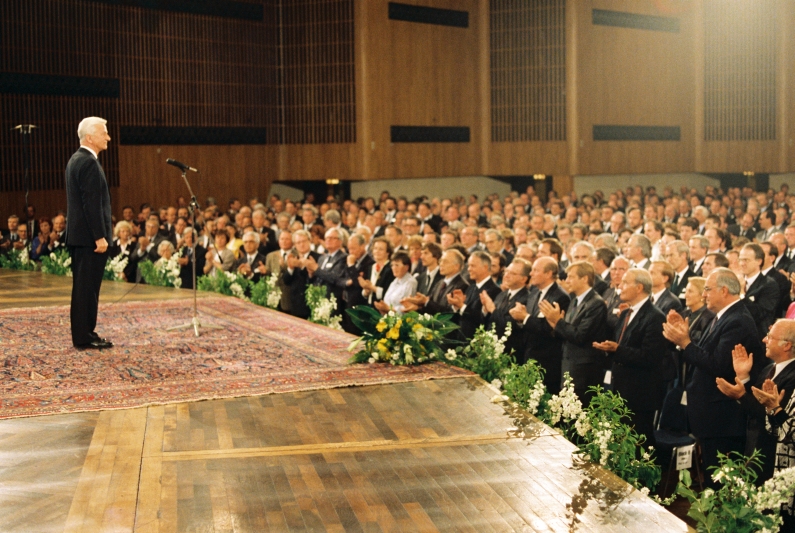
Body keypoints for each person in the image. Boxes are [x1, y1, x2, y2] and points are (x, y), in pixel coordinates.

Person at [662, 268, 766, 483]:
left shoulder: (737, 320)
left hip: (722, 416)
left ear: (724, 290)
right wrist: (685, 340)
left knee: (718, 481)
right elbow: (704, 354)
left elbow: (718, 365)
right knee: (711, 477)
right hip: (711, 413)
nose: (704, 294)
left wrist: (685, 343)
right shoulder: (723, 316)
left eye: (708, 289)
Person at [593, 268, 668, 444]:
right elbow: (620, 343)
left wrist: (617, 350)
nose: (620, 285)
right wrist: (608, 348)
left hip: (641, 394)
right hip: (621, 388)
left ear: (639, 287)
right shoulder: (626, 313)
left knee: (637, 444)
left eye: (626, 282)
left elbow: (650, 357)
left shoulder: (655, 317)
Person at [716, 319, 795, 483]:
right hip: (754, 449)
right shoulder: (769, 368)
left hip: (771, 457)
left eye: (770, 337)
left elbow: (773, 418)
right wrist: (743, 377)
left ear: (786, 345)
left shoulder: (792, 377)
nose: (764, 340)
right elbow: (758, 403)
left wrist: (741, 396)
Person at [65, 117, 113, 350]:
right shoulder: (89, 163)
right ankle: (84, 336)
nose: (108, 137)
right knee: (87, 289)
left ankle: (84, 333)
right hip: (89, 239)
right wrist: (99, 236)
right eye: (104, 133)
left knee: (83, 288)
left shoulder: (76, 160)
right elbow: (91, 205)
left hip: (80, 237)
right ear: (90, 137)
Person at [541, 261, 608, 403]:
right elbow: (567, 332)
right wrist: (554, 324)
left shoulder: (596, 303)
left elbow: (580, 336)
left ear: (584, 279)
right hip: (569, 368)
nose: (566, 281)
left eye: (571, 277)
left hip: (584, 373)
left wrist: (558, 321)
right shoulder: (575, 301)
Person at [510, 256, 570, 393]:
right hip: (529, 357)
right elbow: (531, 322)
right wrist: (521, 319)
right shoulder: (534, 292)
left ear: (548, 274)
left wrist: (525, 318)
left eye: (535, 270)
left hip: (547, 363)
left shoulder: (560, 297)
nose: (531, 274)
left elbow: (550, 329)